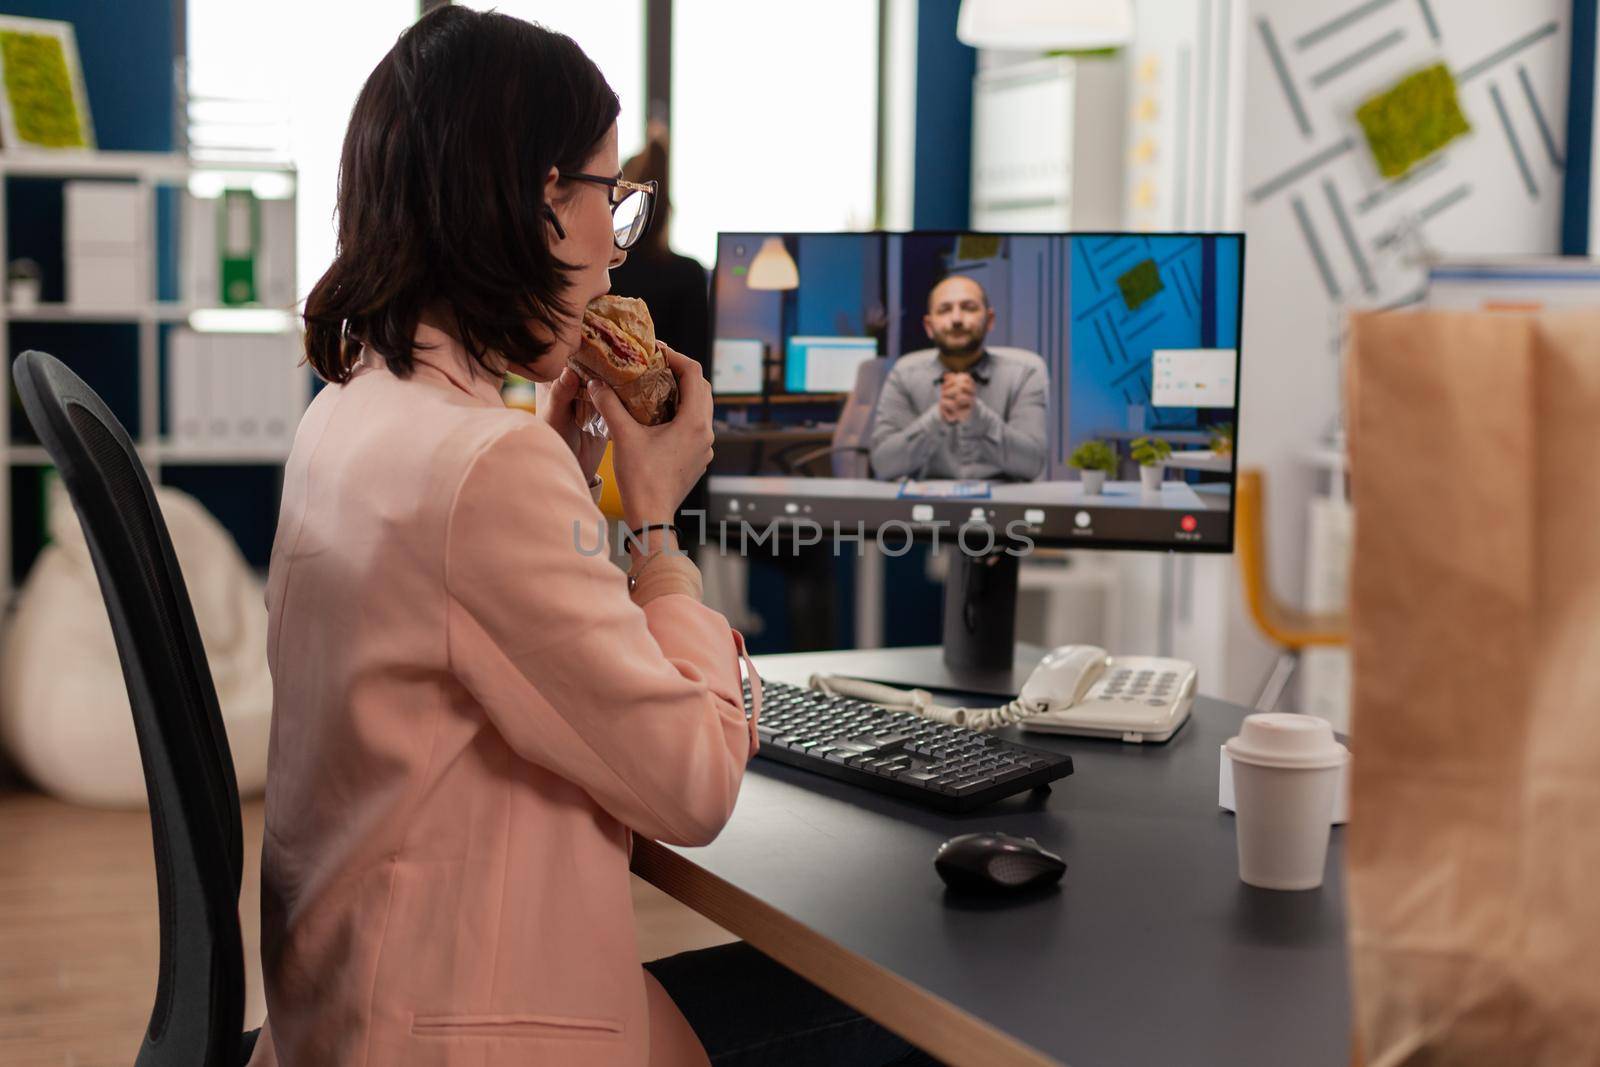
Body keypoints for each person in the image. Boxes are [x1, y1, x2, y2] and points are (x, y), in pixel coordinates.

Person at [249, 9, 934, 1067]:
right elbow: (693, 785)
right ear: (531, 202)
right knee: (920, 1013)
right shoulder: (485, 465)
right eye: (608, 201)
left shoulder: (347, 409)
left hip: (351, 1004)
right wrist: (654, 522)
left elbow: (459, 640)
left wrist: (570, 486)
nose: (614, 256)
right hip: (462, 1031)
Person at [869, 275, 1048, 482]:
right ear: (928, 326)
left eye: (969, 308)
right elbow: (883, 465)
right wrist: (938, 418)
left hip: (1004, 507)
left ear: (989, 320)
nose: (956, 319)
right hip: (924, 508)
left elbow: (1032, 465)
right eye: (944, 310)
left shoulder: (1024, 374)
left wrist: (978, 417)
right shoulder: (904, 374)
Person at [607, 123, 711, 372]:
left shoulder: (605, 274)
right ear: (668, 211)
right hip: (673, 408)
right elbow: (699, 371)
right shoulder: (689, 275)